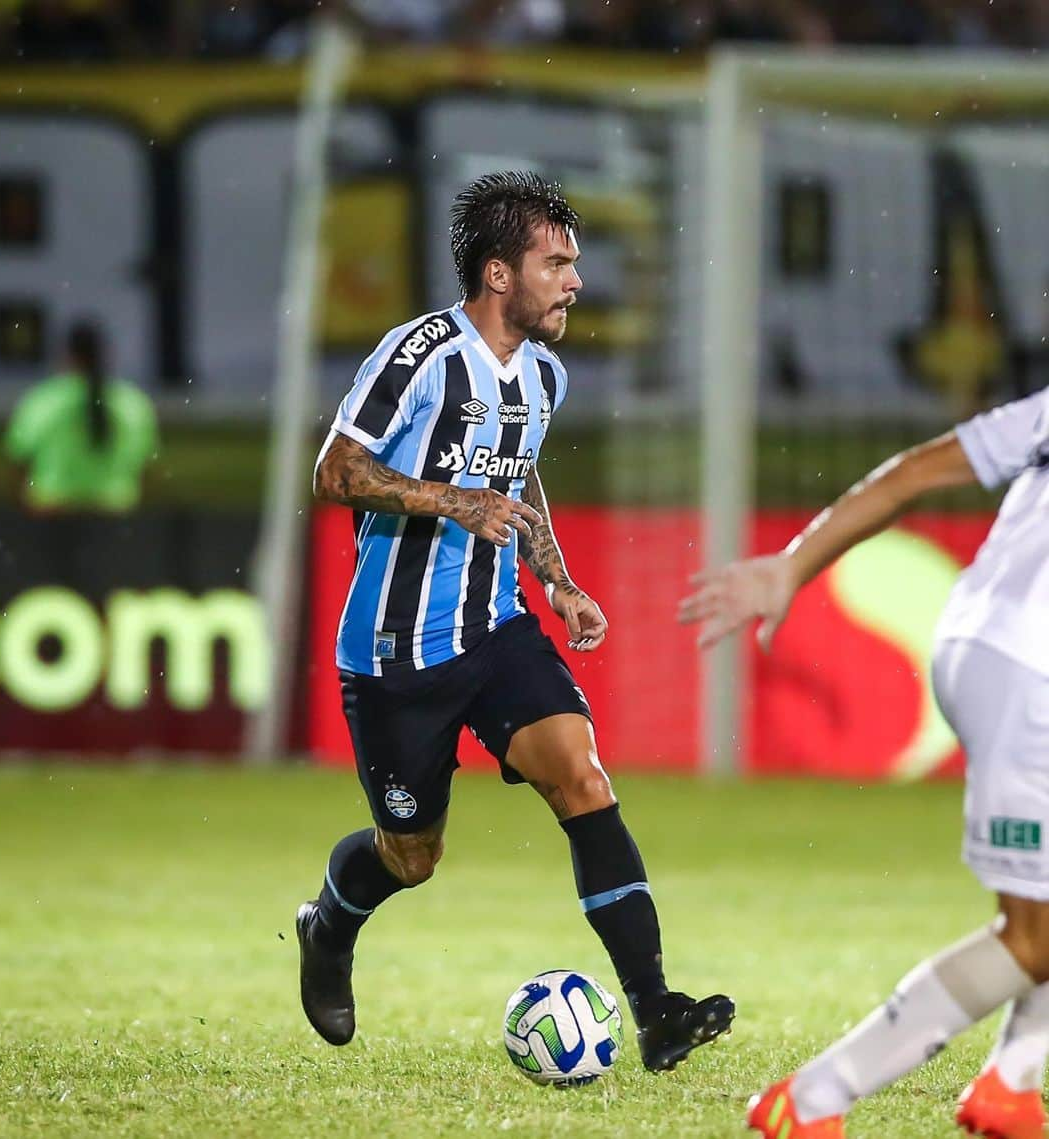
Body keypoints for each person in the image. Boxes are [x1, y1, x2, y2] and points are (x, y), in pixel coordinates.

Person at [298, 170, 735, 1070]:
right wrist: (448, 501)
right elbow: (335, 472)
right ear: (500, 274)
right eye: (558, 263)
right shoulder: (418, 353)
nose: (575, 281)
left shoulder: (544, 374)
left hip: (495, 629)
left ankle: (655, 1010)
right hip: (395, 650)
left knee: (582, 777)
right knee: (411, 855)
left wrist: (558, 579)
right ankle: (330, 921)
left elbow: (517, 471)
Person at [679, 393, 1049, 1138]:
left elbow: (914, 472)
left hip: (983, 640)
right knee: (1036, 936)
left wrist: (794, 563)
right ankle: (811, 1098)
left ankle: (1012, 1082)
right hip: (1028, 666)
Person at [5, 320, 158, 514]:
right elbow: (146, 469)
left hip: (51, 515)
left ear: (66, 354)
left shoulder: (43, 401)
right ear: (106, 355)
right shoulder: (132, 403)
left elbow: (17, 463)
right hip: (116, 517)